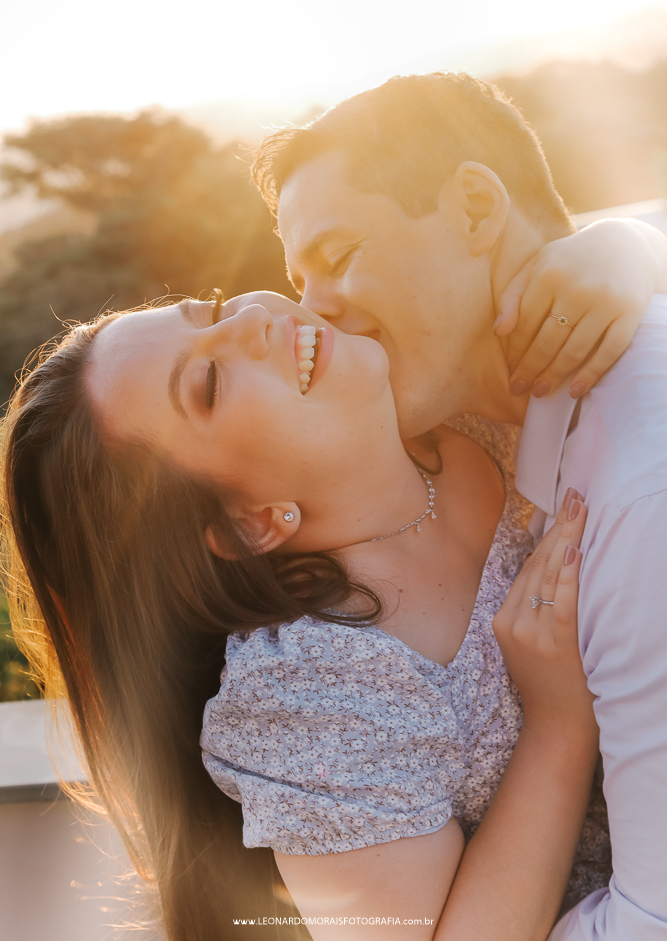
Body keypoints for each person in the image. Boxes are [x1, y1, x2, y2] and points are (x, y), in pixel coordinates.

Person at [0, 289, 610, 941]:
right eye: (209, 382)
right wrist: (558, 726)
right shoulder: (313, 691)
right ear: (249, 522)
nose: (252, 319)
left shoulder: (462, 402)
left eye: (211, 309)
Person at [250, 71, 667, 939]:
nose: (315, 315)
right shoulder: (481, 432)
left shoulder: (637, 497)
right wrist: (628, 242)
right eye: (299, 283)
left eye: (338, 257)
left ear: (476, 208)